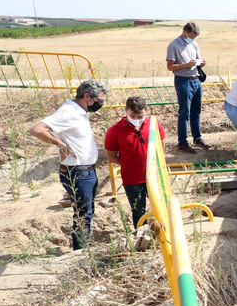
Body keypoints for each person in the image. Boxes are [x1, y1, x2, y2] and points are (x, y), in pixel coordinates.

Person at [28, 79, 109, 250]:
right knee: (82, 216)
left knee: (86, 213)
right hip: (77, 172)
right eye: (99, 101)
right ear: (87, 96)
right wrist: (59, 144)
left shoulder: (80, 111)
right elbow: (37, 130)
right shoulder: (68, 112)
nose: (100, 105)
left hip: (87, 171)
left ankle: (82, 250)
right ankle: (81, 254)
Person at [104, 96, 165, 229]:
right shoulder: (115, 130)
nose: (137, 119)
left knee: (162, 207)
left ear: (146, 111)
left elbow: (161, 148)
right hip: (132, 180)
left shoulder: (154, 125)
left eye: (140, 116)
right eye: (133, 116)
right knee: (138, 212)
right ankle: (143, 240)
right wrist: (129, 164)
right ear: (126, 111)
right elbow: (111, 156)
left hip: (154, 177)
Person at [166, 21, 213, 154]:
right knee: (184, 113)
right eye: (191, 37)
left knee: (196, 112)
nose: (192, 39)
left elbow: (197, 62)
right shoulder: (173, 45)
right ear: (184, 32)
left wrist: (201, 63)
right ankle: (182, 142)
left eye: (195, 37)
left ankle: (197, 139)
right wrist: (186, 65)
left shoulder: (195, 45)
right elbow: (170, 66)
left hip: (196, 79)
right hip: (183, 81)